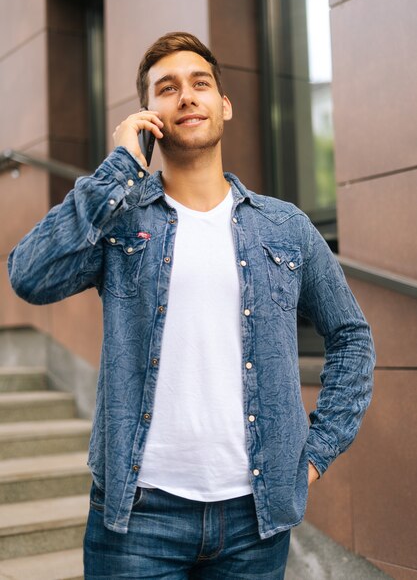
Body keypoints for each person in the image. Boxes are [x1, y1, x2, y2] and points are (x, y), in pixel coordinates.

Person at [8, 31, 375, 579]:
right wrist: (118, 169)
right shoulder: (123, 221)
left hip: (254, 520)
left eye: (200, 83)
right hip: (138, 516)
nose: (186, 96)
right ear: (148, 114)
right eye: (167, 88)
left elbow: (352, 337)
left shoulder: (285, 227)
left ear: (223, 105)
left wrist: (316, 454)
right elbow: (28, 275)